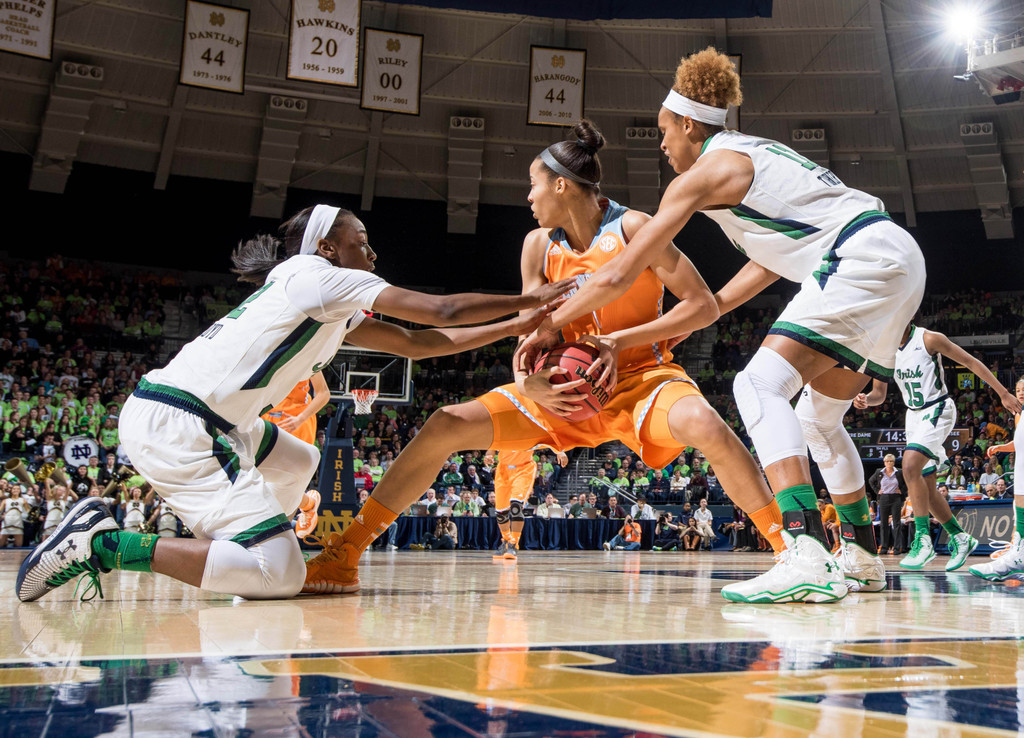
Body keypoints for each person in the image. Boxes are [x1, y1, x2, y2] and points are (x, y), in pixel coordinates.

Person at [302, 117, 793, 598]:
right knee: (444, 424)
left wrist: (620, 342)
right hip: (560, 387)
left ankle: (789, 551)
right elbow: (531, 334)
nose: (528, 196)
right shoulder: (537, 245)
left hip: (641, 377)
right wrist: (527, 380)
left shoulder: (634, 227)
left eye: (533, 184)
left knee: (707, 424)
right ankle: (344, 554)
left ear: (561, 185)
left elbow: (701, 306)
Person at [516, 48, 936, 601]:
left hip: (857, 258)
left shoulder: (706, 173)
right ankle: (860, 555)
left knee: (756, 385)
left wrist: (549, 324)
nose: (662, 144)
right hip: (893, 258)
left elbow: (619, 273)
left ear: (689, 125)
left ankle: (805, 551)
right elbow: (771, 260)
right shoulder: (754, 155)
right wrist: (706, 310)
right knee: (818, 420)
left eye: (665, 131)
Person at [17, 204, 568, 603]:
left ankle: (244, 554)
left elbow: (418, 344)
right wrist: (529, 299)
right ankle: (105, 544)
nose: (372, 252)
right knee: (282, 575)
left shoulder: (321, 296)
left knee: (298, 459)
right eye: (361, 240)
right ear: (327, 247)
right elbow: (439, 312)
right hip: (182, 423)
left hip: (216, 420)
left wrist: (512, 327)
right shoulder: (317, 278)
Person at [856, 326, 1019, 571]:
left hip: (937, 408)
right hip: (913, 417)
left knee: (909, 466)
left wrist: (1003, 393)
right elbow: (879, 393)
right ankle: (960, 537)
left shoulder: (929, 339)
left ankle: (923, 540)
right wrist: (866, 399)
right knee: (926, 488)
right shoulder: (884, 349)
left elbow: (971, 362)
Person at [261, 371, 331, 538]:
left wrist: (300, 419)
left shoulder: (309, 358)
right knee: (261, 483)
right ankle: (308, 504)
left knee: (286, 485)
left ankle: (280, 539)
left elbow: (323, 393)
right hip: (267, 418)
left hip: (297, 421)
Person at [970, 378, 1024, 582]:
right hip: (1021, 467)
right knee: (1019, 511)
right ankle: (1018, 555)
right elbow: (1020, 442)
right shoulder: (1018, 414)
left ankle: (1017, 558)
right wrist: (1002, 447)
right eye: (1018, 389)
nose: (1020, 392)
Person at [867, 455, 906, 555]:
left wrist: (901, 491)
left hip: (895, 498)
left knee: (896, 523)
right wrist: (877, 491)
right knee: (883, 523)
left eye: (891, 461)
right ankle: (884, 547)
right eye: (887, 461)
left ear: (894, 462)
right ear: (884, 462)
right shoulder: (879, 472)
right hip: (884, 498)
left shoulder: (899, 472)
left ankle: (897, 548)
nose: (889, 463)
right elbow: (871, 481)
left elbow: (907, 482)